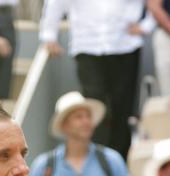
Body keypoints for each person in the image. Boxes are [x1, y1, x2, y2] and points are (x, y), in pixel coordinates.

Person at [41, 0, 144, 158]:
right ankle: (97, 161)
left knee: (123, 109)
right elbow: (55, 4)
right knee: (95, 107)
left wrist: (145, 25)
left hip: (125, 46)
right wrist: (49, 36)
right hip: (87, 47)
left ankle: (119, 162)